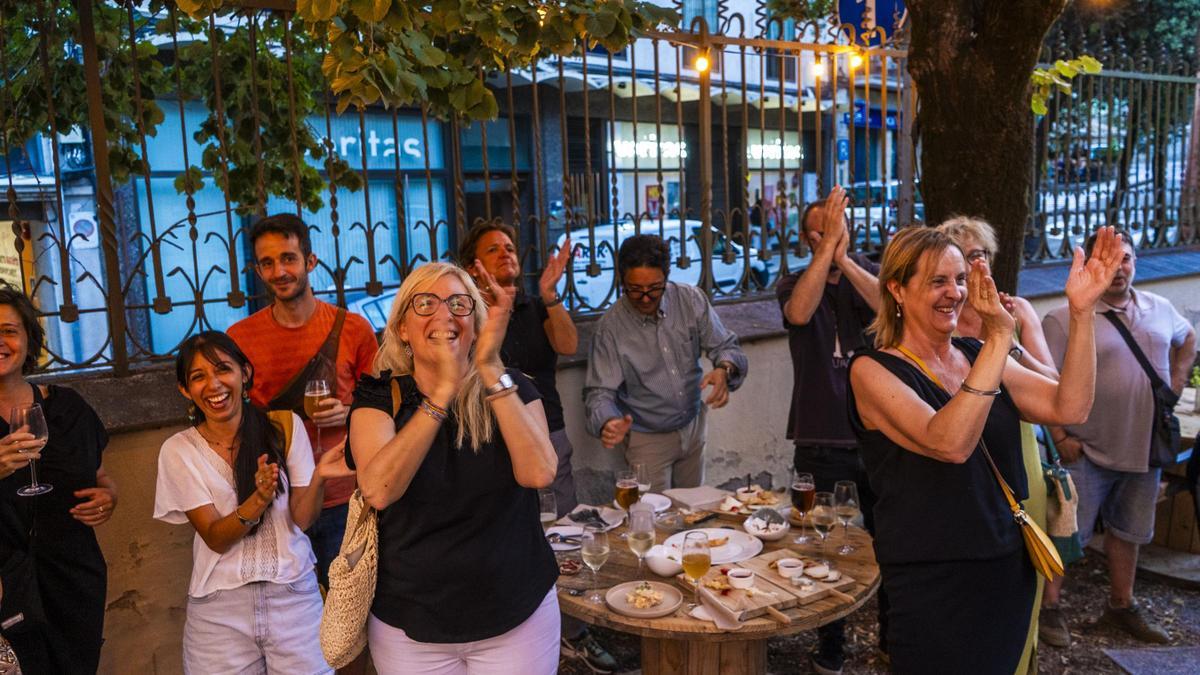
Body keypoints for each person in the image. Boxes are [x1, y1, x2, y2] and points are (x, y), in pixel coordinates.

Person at [847, 226, 1123, 674]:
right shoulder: (871, 370)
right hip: (933, 582)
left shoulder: (977, 353)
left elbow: (1070, 405)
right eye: (938, 281)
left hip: (1006, 570)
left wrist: (1082, 311)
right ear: (896, 288)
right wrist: (999, 338)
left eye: (960, 280)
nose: (954, 294)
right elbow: (950, 442)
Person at [347, 262, 560, 674]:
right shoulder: (379, 398)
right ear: (403, 328)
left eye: (459, 304)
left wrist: (491, 369)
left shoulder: (510, 387)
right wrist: (442, 391)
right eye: (425, 303)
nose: (444, 315)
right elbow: (379, 490)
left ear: (476, 324)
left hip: (516, 615)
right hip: (410, 629)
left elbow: (539, 473)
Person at [456, 223, 615, 671]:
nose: (507, 254)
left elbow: (567, 343)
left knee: (562, 534)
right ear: (474, 266)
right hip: (487, 443)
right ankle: (507, 631)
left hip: (548, 436)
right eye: (494, 249)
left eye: (510, 247)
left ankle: (574, 630)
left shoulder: (533, 304)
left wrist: (550, 293)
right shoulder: (464, 314)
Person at [154, 331, 350, 673]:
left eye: (223, 370)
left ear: (244, 373)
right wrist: (258, 500)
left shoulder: (284, 427)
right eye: (198, 377)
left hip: (293, 600)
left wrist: (319, 477)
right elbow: (215, 537)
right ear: (185, 390)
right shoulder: (178, 450)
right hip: (218, 613)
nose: (214, 385)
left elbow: (301, 520)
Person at [1042, 229, 1196, 645]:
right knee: (1066, 533)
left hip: (1142, 449)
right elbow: (1042, 378)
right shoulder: (1062, 317)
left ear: (1135, 262)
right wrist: (1059, 435)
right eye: (1109, 260)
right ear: (1090, 266)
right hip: (1085, 448)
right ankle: (1049, 609)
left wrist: (1177, 380)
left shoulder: (1161, 307)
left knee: (1129, 533)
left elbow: (1188, 340)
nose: (1119, 268)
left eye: (1125, 258)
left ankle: (1121, 606)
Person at [227, 213, 378, 593]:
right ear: (258, 270)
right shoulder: (240, 338)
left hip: (346, 496)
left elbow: (384, 407)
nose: (279, 270)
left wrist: (349, 412)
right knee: (294, 625)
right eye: (267, 262)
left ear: (310, 261)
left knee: (352, 615)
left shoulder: (354, 329)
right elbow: (232, 417)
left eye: (289, 258)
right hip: (276, 500)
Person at [937, 216, 1057, 664]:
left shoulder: (1017, 310)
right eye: (964, 258)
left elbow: (1054, 383)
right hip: (960, 444)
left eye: (980, 254)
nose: (975, 265)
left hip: (1016, 444)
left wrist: (1006, 339)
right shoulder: (941, 316)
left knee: (1024, 560)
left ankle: (1021, 656)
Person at [778, 187, 885, 675]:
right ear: (805, 239)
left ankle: (894, 639)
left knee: (892, 542)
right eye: (819, 230)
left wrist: (843, 254)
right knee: (823, 546)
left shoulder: (874, 276)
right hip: (819, 443)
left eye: (837, 226)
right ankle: (830, 649)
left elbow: (893, 310)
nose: (830, 236)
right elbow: (799, 313)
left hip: (881, 438)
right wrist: (826, 254)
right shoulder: (796, 283)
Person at [0, 285, 115, 674]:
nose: (0, 342)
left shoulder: (67, 408)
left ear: (29, 337)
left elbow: (100, 475)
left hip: (72, 580)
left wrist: (107, 496)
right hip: (5, 589)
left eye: (9, 330)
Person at [584, 234, 748, 491]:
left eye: (655, 288)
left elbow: (726, 346)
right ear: (621, 280)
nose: (646, 297)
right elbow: (599, 393)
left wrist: (724, 369)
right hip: (646, 439)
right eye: (635, 289)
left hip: (693, 427)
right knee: (652, 520)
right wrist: (607, 421)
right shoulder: (610, 328)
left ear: (667, 277)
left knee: (695, 516)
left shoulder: (690, 300)